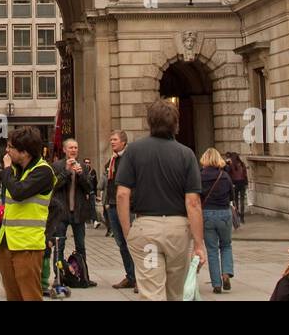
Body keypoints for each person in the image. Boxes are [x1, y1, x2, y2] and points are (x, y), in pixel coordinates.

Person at [115, 100, 206, 301]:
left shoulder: (134, 151)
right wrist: (199, 243)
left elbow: (122, 194)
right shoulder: (186, 154)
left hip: (146, 227)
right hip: (178, 229)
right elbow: (193, 203)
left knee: (151, 292)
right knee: (177, 292)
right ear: (176, 124)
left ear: (150, 123)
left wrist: (127, 231)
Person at [0, 126, 55, 301]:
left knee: (30, 295)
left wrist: (6, 170)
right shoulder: (15, 170)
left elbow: (19, 192)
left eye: (10, 147)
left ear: (25, 151)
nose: (7, 151)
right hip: (7, 241)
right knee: (12, 294)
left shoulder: (43, 171)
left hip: (27, 245)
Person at [49, 138, 94, 278]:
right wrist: (67, 171)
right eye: (70, 148)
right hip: (61, 213)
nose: (73, 150)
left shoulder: (84, 167)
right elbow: (53, 186)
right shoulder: (56, 166)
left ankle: (83, 276)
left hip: (78, 212)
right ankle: (59, 276)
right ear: (64, 150)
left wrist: (81, 175)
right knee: (59, 246)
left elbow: (89, 189)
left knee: (80, 246)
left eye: (75, 148)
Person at [198, 148, 235, 294]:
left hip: (207, 214)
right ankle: (226, 274)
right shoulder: (224, 176)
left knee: (212, 250)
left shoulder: (200, 176)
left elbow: (197, 196)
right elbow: (232, 196)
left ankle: (216, 284)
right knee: (226, 245)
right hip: (224, 214)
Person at [103, 129, 135, 290]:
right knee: (121, 243)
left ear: (123, 142)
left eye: (114, 139)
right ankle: (130, 276)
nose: (112, 142)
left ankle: (138, 278)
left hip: (127, 206)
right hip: (113, 205)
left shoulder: (128, 159)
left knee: (132, 243)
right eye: (111, 139)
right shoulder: (112, 160)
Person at [225, 152, 249, 222]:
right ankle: (242, 216)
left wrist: (227, 163)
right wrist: (246, 183)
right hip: (242, 183)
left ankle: (237, 215)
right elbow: (245, 175)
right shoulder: (242, 164)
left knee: (235, 200)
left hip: (234, 184)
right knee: (242, 200)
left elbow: (227, 172)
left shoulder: (231, 165)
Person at [83, 158, 99, 229]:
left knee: (93, 207)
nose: (87, 164)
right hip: (84, 193)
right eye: (86, 162)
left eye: (88, 162)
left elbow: (95, 183)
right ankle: (84, 222)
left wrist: (96, 194)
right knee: (85, 207)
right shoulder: (82, 171)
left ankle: (95, 221)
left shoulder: (93, 171)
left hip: (92, 192)